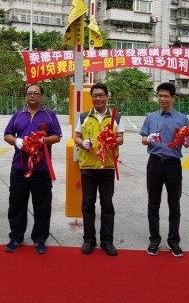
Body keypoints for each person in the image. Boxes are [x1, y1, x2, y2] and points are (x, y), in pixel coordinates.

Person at [4, 84, 62, 255]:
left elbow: (57, 136)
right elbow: (7, 134)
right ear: (25, 96)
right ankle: (16, 236)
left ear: (42, 96)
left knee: (42, 205)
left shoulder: (49, 116)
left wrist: (42, 141)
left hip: (41, 167)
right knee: (16, 203)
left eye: (36, 93)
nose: (32, 96)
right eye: (29, 93)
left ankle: (40, 238)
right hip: (19, 166)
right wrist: (17, 141)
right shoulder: (18, 115)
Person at [139, 82, 189, 258]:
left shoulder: (182, 119)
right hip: (154, 163)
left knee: (174, 204)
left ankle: (173, 240)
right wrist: (148, 139)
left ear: (173, 98)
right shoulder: (151, 117)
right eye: (159, 95)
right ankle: (154, 239)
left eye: (166, 96)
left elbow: (188, 140)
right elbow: (143, 139)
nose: (162, 99)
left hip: (173, 165)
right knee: (153, 204)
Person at [74, 83, 124, 256]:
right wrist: (83, 143)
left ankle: (106, 241)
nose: (98, 98)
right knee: (88, 204)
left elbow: (120, 139)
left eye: (101, 95)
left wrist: (111, 140)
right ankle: (89, 240)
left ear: (107, 96)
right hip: (88, 166)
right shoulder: (83, 117)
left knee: (107, 204)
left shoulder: (116, 117)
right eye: (95, 95)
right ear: (92, 98)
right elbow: (77, 137)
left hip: (107, 167)